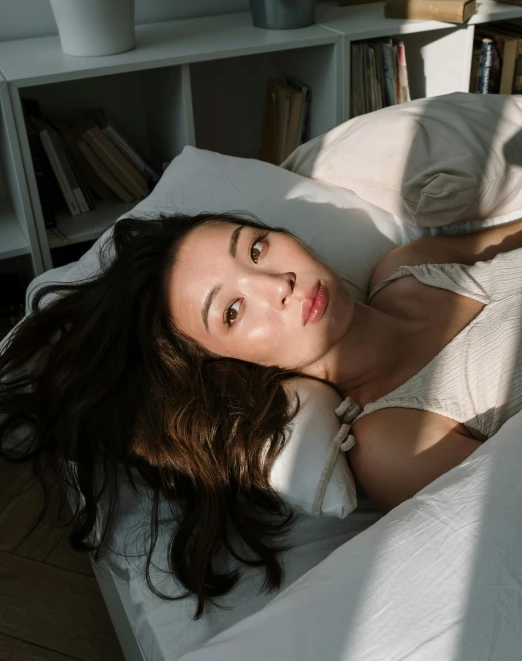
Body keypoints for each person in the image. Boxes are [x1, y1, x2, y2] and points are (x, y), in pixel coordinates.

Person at [2, 209, 522, 618]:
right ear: (230, 370)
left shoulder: (407, 267)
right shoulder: (393, 442)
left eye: (255, 247)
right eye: (231, 311)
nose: (277, 283)